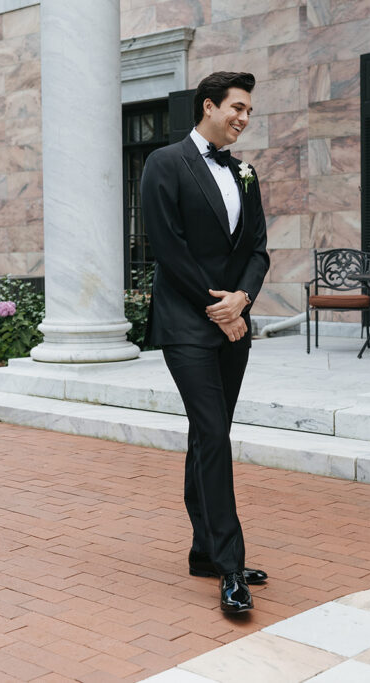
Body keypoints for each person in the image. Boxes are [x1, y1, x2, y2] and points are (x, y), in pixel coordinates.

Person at [140, 71, 270, 614]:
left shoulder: (245, 172)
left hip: (232, 319)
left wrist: (242, 299)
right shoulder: (164, 163)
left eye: (248, 111)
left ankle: (204, 550)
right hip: (187, 322)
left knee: (207, 434)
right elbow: (166, 248)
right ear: (209, 106)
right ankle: (230, 566)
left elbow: (258, 249)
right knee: (214, 433)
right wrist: (218, 309)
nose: (243, 118)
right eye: (236, 108)